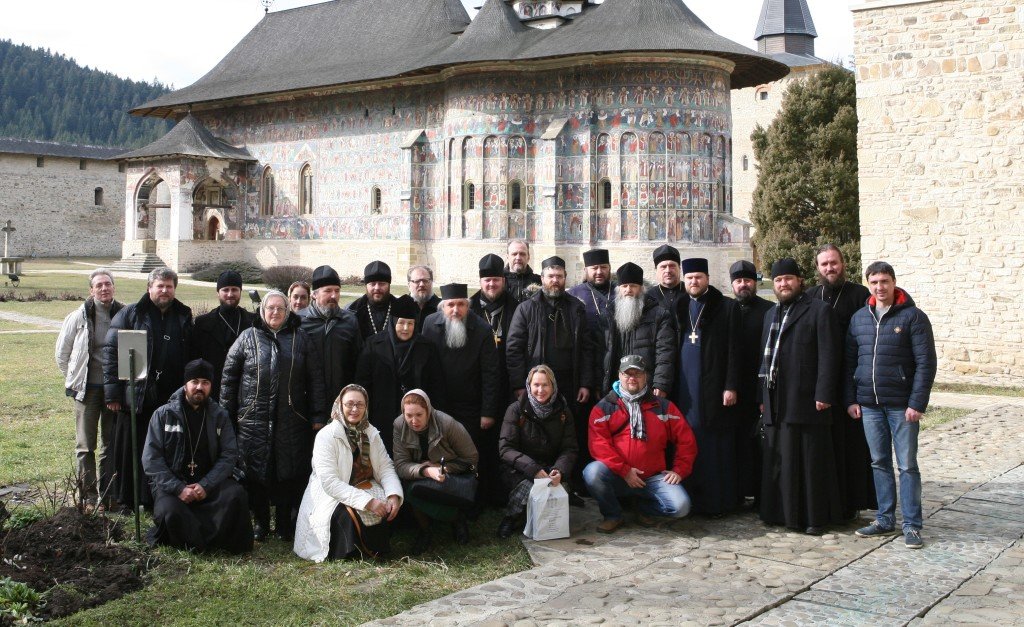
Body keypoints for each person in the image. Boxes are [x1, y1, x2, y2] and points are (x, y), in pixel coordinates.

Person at [221, 289, 327, 541]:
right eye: (271, 308)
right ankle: (260, 522)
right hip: (253, 418)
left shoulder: (301, 339)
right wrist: (226, 416)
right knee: (257, 472)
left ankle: (283, 522)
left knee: (287, 472)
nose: (275, 312)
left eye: (281, 308)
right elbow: (228, 379)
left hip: (292, 419)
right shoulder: (247, 338)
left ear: (288, 311)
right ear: (262, 311)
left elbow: (316, 380)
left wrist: (318, 415)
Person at [846, 261, 936, 549]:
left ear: (894, 282)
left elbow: (926, 363)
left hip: (902, 406)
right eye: (874, 282)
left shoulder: (913, 317)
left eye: (884, 281)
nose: (879, 287)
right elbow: (850, 361)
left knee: (907, 465)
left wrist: (917, 402)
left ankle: (912, 524)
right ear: (868, 284)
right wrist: (851, 398)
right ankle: (885, 518)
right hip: (870, 405)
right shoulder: (859, 318)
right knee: (879, 462)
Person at [759, 258, 843, 535]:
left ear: (799, 281)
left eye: (788, 279)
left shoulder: (819, 311)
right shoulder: (771, 314)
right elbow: (764, 359)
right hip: (777, 400)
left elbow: (830, 356)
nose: (784, 284)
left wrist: (824, 393)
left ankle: (812, 518)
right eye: (779, 280)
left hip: (807, 400)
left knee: (808, 463)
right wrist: (763, 397)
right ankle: (781, 514)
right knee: (781, 460)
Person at [506, 256, 596, 500]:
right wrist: (518, 385)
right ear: (542, 278)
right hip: (538, 386)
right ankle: (537, 481)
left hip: (569, 383)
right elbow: (514, 348)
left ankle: (568, 484)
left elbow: (587, 348)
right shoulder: (527, 308)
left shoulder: (576, 308)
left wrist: (586, 382)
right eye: (550, 276)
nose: (555, 281)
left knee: (568, 435)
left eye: (559, 276)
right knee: (538, 435)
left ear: (565, 278)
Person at [103, 267, 193, 510]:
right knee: (130, 447)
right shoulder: (131, 314)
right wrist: (113, 394)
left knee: (163, 447)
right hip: (137, 394)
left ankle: (155, 496)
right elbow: (112, 354)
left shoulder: (183, 315)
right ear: (149, 288)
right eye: (160, 286)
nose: (164, 290)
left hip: (169, 395)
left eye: (169, 286)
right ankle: (127, 499)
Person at [142, 359, 252, 553]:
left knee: (236, 495)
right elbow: (151, 460)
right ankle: (204, 542)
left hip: (208, 486)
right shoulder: (163, 415)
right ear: (185, 385)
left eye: (205, 383)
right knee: (170, 512)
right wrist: (178, 488)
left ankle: (197, 540)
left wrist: (206, 486)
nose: (199, 387)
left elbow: (229, 455)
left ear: (211, 386)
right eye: (195, 382)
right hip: (173, 488)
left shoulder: (220, 415)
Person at [584, 356, 696, 532]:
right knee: (592, 472)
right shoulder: (604, 408)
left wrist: (679, 470)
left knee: (681, 507)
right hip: (619, 476)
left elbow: (686, 440)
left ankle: (642, 509)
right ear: (619, 375)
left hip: (653, 477)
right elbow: (599, 445)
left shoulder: (664, 407)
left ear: (646, 377)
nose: (632, 378)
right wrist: (625, 470)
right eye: (627, 374)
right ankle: (613, 515)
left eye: (637, 373)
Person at [294, 385, 403, 562]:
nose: (354, 409)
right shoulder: (326, 436)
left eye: (360, 405)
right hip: (330, 495)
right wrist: (367, 502)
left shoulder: (371, 433)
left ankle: (375, 548)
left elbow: (385, 467)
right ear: (340, 406)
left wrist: (393, 495)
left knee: (386, 506)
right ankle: (351, 553)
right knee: (344, 516)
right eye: (349, 404)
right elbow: (329, 482)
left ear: (366, 407)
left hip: (363, 485)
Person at [809, 244, 877, 519]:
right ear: (817, 268)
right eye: (824, 264)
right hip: (819, 382)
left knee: (851, 446)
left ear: (843, 263)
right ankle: (827, 500)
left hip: (850, 380)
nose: (829, 268)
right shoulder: (811, 297)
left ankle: (851, 503)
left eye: (833, 263)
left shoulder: (859, 295)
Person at [421, 283, 502, 505]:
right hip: (438, 404)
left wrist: (488, 412)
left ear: (468, 306)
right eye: (450, 305)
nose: (455, 310)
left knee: (468, 456)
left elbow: (491, 374)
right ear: (442, 307)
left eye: (460, 305)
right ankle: (442, 501)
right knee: (440, 454)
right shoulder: (429, 325)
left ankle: (469, 503)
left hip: (471, 406)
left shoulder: (482, 329)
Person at [674, 257, 740, 516]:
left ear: (707, 279)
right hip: (686, 387)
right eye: (689, 278)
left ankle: (717, 502)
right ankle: (691, 499)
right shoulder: (679, 305)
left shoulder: (726, 307)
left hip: (714, 387)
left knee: (714, 445)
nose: (694, 281)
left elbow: (735, 350)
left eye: (698, 277)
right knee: (687, 439)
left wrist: (731, 385)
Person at [55, 268, 124, 509]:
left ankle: (109, 495)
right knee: (85, 446)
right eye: (99, 285)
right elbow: (62, 354)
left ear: (114, 287)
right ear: (91, 290)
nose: (104, 288)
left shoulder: (124, 314)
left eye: (108, 284)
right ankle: (88, 497)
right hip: (88, 391)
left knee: (110, 444)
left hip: (113, 391)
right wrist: (75, 379)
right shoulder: (79, 316)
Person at [355, 295, 446, 455]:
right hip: (381, 415)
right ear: (393, 322)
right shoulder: (373, 344)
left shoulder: (426, 347)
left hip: (416, 418)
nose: (405, 328)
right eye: (401, 323)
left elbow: (437, 384)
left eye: (410, 323)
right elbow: (363, 383)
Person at [392, 389, 478, 554]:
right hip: (418, 474)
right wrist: (426, 470)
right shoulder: (399, 425)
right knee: (410, 490)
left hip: (451, 471)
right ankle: (426, 530)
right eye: (408, 415)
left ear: (428, 411)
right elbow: (401, 464)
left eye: (419, 415)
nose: (413, 421)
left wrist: (443, 468)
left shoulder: (447, 423)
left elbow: (471, 458)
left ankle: (456, 520)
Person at [496, 365, 578, 538]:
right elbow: (506, 449)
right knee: (528, 489)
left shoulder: (564, 411)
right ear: (529, 386)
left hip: (551, 468)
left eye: (545, 385)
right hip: (521, 469)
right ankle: (511, 518)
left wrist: (559, 471)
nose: (540, 390)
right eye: (536, 385)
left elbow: (569, 448)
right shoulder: (516, 410)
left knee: (557, 489)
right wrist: (532, 469)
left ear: (553, 386)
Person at [729, 260, 773, 506]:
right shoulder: (727, 309)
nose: (743, 285)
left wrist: (763, 395)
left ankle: (760, 494)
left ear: (754, 283)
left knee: (759, 445)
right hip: (734, 389)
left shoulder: (769, 310)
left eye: (747, 280)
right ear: (732, 284)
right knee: (736, 444)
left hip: (759, 390)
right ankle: (736, 493)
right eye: (738, 281)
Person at [601, 262, 675, 396]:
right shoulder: (609, 314)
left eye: (633, 286)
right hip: (616, 385)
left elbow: (665, 352)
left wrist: (661, 383)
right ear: (618, 289)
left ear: (641, 289)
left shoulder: (659, 315)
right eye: (624, 286)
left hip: (647, 384)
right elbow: (600, 351)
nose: (628, 290)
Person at [299, 265, 362, 405]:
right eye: (328, 291)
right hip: (307, 401)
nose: (334, 296)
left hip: (342, 399)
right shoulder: (299, 321)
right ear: (314, 294)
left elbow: (358, 361)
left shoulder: (350, 321)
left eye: (337, 291)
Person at [189, 270, 255, 401]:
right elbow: (195, 359)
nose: (230, 294)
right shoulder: (203, 323)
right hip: (213, 389)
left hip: (245, 389)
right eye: (225, 290)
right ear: (218, 292)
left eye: (234, 289)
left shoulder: (253, 321)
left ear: (240, 292)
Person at [567, 248, 615, 360]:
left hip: (614, 354)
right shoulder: (573, 294)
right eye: (594, 268)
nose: (599, 272)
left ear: (609, 268)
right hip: (585, 354)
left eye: (603, 267)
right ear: (585, 270)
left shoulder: (619, 291)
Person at [348, 261, 399, 339]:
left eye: (382, 283)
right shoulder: (352, 311)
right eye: (372, 284)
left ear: (389, 285)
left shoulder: (401, 309)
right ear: (366, 285)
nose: (377, 288)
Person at [646, 244, 683, 327]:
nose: (668, 270)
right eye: (663, 267)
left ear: (679, 268)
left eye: (672, 266)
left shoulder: (690, 292)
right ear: (656, 270)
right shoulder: (648, 297)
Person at [407, 265, 440, 331]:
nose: (421, 284)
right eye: (417, 281)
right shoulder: (400, 306)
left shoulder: (442, 308)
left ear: (431, 283)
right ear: (409, 285)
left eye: (425, 280)